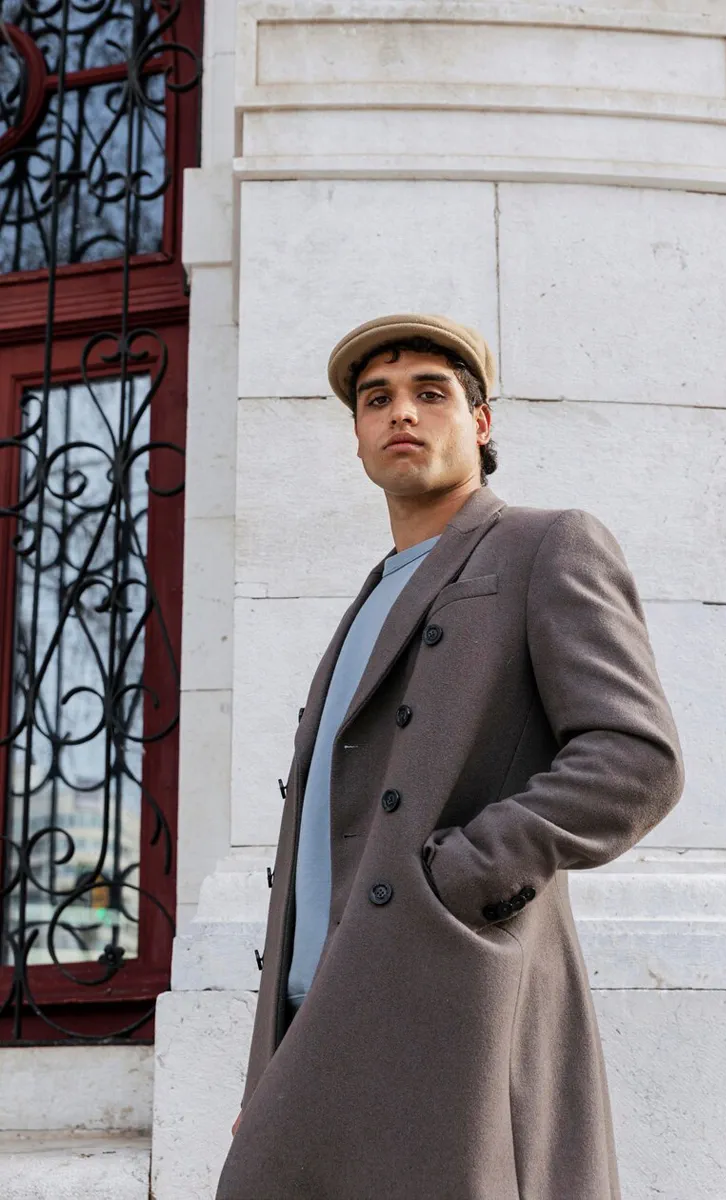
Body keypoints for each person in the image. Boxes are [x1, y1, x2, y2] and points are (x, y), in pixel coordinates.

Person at [216, 313, 685, 1199]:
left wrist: (459, 878)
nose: (401, 412)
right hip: (319, 1022)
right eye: (376, 399)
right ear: (356, 435)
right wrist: (271, 1069)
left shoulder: (545, 543)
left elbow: (634, 757)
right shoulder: (369, 596)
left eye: (430, 393)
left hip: (448, 1001)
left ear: (480, 422)